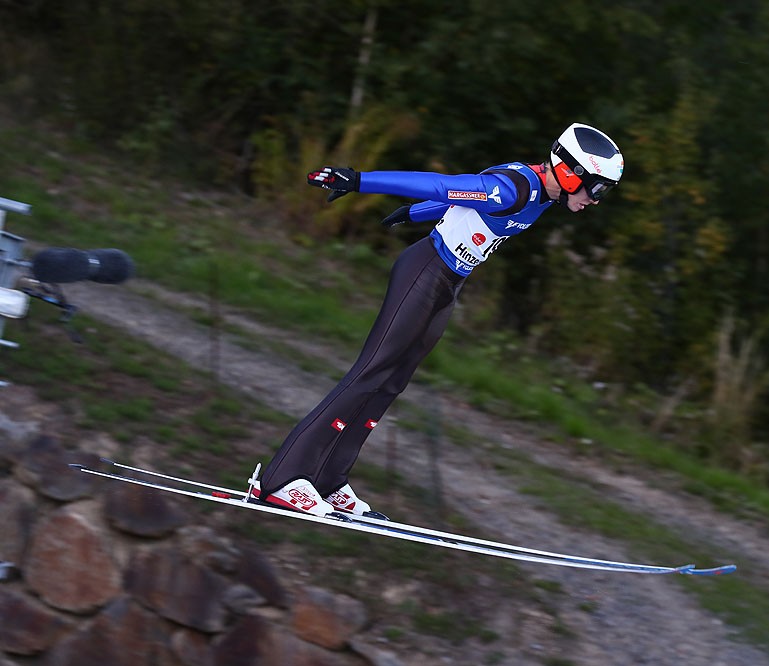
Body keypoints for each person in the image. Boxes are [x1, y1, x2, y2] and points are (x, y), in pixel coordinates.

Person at [252, 123, 624, 519]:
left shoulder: (546, 196)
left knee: (391, 382)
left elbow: (461, 203)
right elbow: (443, 186)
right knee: (369, 372)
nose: (595, 200)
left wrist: (413, 213)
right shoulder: (511, 189)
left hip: (449, 283)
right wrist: (360, 181)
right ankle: (280, 479)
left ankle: (328, 479)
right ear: (570, 173)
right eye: (596, 189)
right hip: (425, 272)